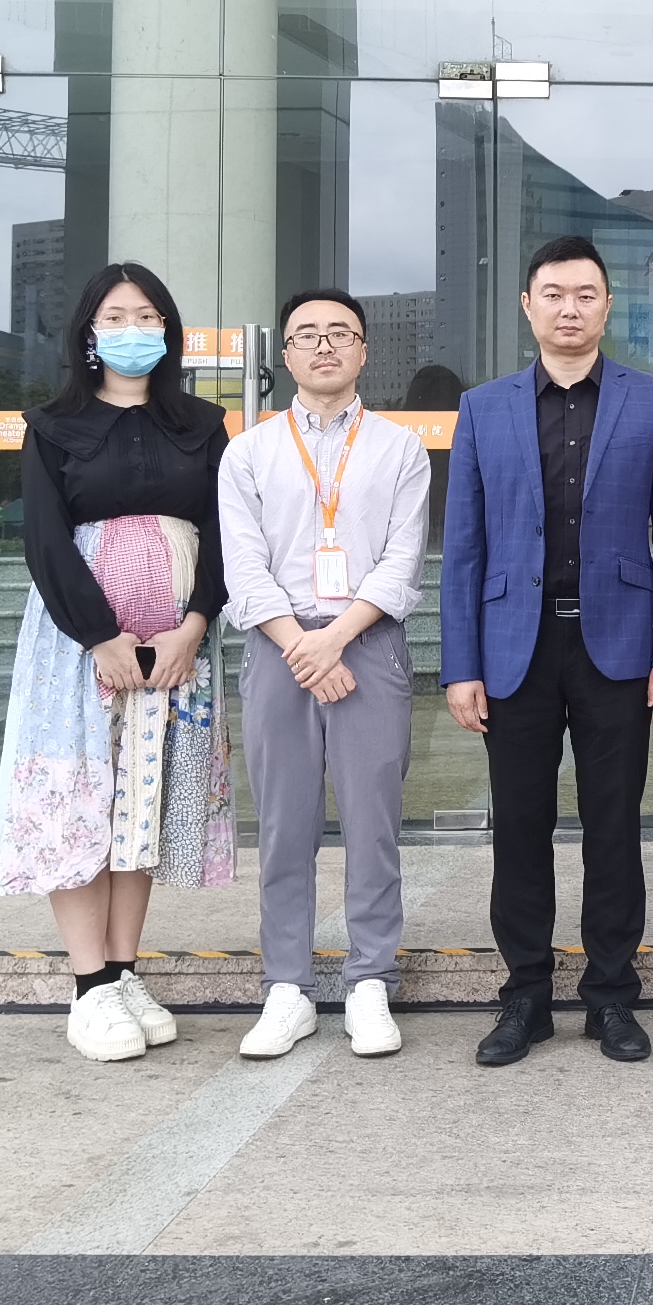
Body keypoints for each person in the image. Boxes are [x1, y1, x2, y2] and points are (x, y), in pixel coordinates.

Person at [443, 234, 653, 1068]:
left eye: (585, 294)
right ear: (528, 306)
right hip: (513, 646)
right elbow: (464, 548)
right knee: (519, 828)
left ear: (606, 305)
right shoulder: (483, 408)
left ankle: (612, 996)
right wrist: (461, 666)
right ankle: (525, 995)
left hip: (617, 645)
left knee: (613, 826)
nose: (569, 308)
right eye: (553, 294)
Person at [0, 262, 235, 1064]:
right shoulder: (53, 426)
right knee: (79, 800)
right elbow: (45, 540)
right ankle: (88, 983)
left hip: (179, 651)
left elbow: (224, 530)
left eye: (148, 316)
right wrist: (99, 636)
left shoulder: (202, 424)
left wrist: (194, 624)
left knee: (145, 804)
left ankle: (125, 971)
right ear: (90, 334)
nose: (135, 329)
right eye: (117, 316)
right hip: (78, 650)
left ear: (169, 330)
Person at [221, 287, 430, 1062]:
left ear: (364, 351)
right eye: (306, 334)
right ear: (285, 355)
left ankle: (371, 979)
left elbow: (403, 559)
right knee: (284, 824)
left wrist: (335, 640)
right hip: (279, 647)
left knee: (374, 822)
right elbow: (243, 566)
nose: (323, 346)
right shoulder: (249, 451)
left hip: (366, 643)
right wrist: (301, 646)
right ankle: (288, 985)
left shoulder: (399, 448)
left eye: (340, 333)